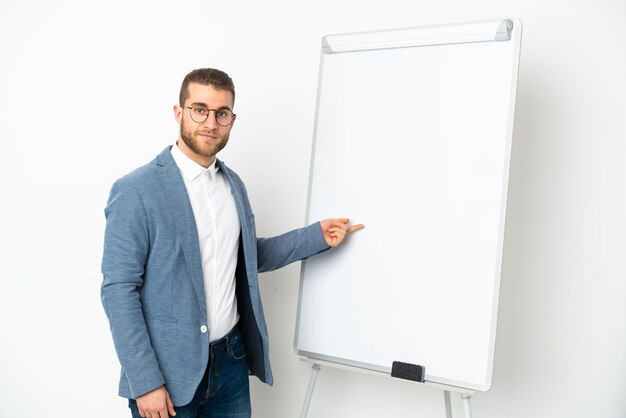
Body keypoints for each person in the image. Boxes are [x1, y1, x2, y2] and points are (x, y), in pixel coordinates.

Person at [101, 68, 363, 418]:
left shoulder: (233, 185)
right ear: (178, 113)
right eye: (200, 109)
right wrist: (145, 382)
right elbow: (118, 290)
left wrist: (315, 236)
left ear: (231, 121)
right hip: (168, 374)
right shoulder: (136, 191)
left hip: (231, 363)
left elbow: (247, 255)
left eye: (221, 113)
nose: (210, 122)